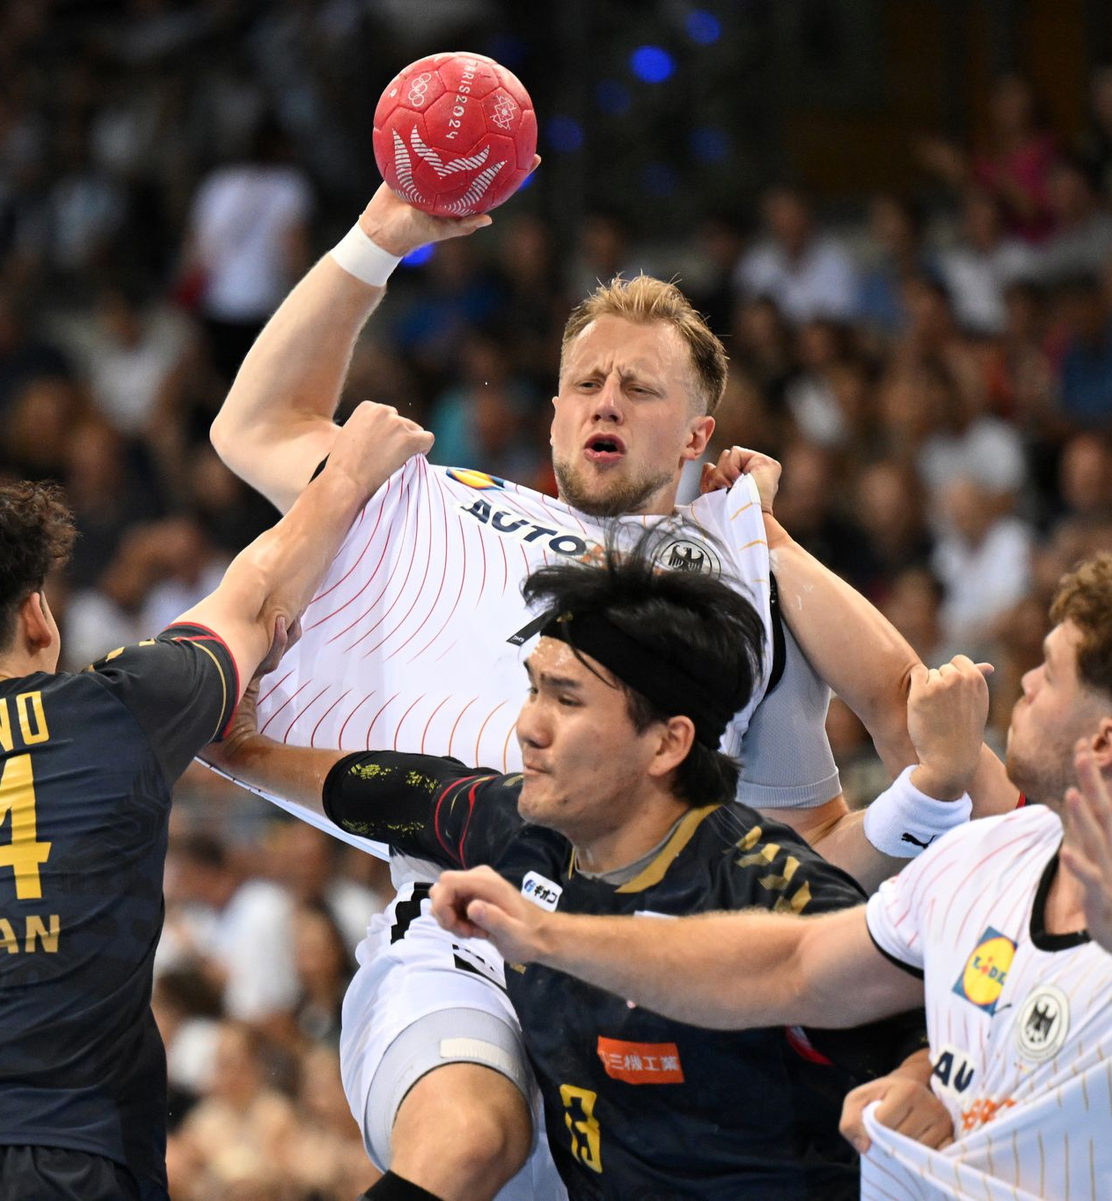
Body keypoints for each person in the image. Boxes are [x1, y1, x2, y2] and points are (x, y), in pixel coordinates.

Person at [210, 181, 1017, 1200]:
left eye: (639, 389)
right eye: (585, 381)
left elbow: (900, 751)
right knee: (467, 1140)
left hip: (659, 972)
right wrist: (383, 239)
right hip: (463, 917)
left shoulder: (738, 589)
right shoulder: (439, 502)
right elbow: (255, 425)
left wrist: (764, 539)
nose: (604, 399)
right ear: (551, 414)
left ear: (696, 434)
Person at [204, 532, 933, 1199]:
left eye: (566, 698)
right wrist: (243, 752)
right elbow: (398, 792)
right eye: (532, 686)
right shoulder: (529, 831)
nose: (528, 725)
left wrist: (920, 1077)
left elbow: (928, 1017)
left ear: (667, 743)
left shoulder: (768, 886)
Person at [430, 553, 1112, 1200]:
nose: (1021, 681)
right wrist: (549, 935)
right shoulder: (984, 859)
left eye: (1048, 674)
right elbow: (790, 964)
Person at [0, 400, 431, 1200]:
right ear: (36, 619)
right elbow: (258, 593)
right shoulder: (111, 709)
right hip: (65, 1157)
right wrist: (353, 466)